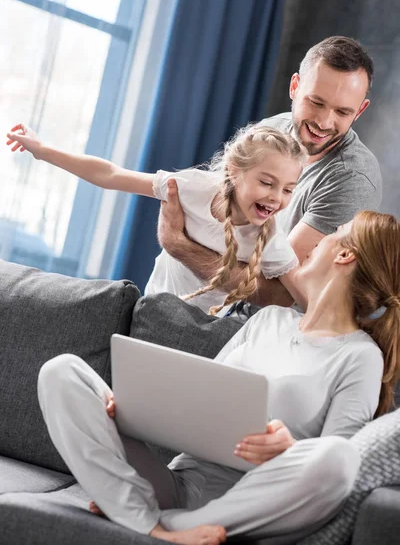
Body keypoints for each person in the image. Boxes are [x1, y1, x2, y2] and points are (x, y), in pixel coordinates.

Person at [37, 210, 400, 545]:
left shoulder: (360, 356)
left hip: (251, 504)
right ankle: (151, 521)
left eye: (336, 232)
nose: (321, 239)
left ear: (345, 256)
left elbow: (342, 467)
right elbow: (204, 397)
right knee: (63, 371)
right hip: (177, 483)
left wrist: (290, 450)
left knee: (338, 458)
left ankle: (150, 520)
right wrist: (139, 409)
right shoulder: (267, 319)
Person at [156, 36, 383, 308]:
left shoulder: (352, 180)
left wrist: (178, 245)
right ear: (295, 86)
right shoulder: (272, 130)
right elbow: (218, 212)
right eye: (316, 103)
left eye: (342, 112)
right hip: (211, 305)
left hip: (272, 329)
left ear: (359, 111)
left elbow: (278, 294)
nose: (324, 122)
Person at [6, 122, 306, 315]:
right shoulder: (194, 187)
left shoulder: (271, 239)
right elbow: (112, 175)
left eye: (288, 190)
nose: (276, 197)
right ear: (233, 172)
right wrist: (43, 151)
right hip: (154, 305)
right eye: (267, 183)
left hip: (207, 328)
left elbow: (301, 295)